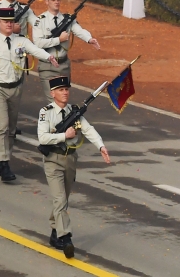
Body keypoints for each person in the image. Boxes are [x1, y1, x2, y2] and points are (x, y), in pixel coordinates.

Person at [0, 7, 57, 183]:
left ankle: (5, 157)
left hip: (15, 89)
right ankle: (3, 162)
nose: (9, 24)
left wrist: (48, 57)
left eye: (11, 21)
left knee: (11, 129)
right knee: (2, 125)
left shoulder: (20, 41)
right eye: (5, 21)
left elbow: (35, 50)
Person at [37, 76, 111, 258]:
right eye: (61, 90)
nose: (65, 92)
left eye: (67, 89)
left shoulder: (74, 112)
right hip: (53, 160)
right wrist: (64, 135)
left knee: (63, 200)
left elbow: (88, 129)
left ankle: (55, 232)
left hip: (70, 160)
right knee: (60, 200)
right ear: (53, 93)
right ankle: (66, 238)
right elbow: (43, 138)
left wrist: (101, 145)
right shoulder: (46, 112)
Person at [33, 0, 100, 100]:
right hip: (47, 66)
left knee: (63, 101)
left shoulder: (66, 19)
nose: (56, 2)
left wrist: (89, 39)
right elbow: (38, 43)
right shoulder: (40, 21)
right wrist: (58, 40)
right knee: (54, 101)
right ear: (46, 2)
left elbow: (79, 30)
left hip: (63, 66)